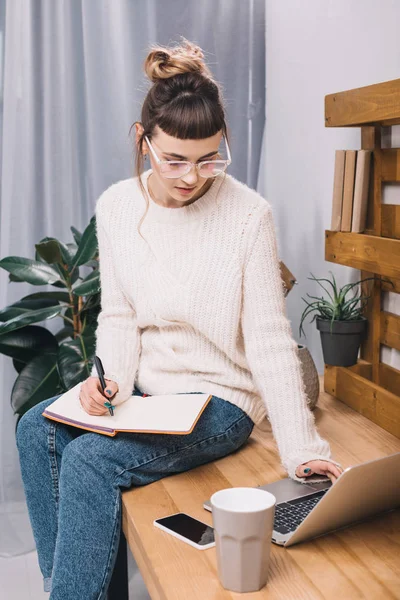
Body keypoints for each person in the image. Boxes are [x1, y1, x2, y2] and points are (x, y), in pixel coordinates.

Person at [16, 37, 343, 599]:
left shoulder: (249, 215)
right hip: (147, 396)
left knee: (91, 463)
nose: (193, 176)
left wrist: (303, 449)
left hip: (219, 401)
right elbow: (118, 314)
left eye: (209, 158)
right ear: (144, 143)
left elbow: (268, 339)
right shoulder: (119, 206)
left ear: (223, 145)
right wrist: (109, 382)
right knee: (35, 431)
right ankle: (69, 589)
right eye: (175, 159)